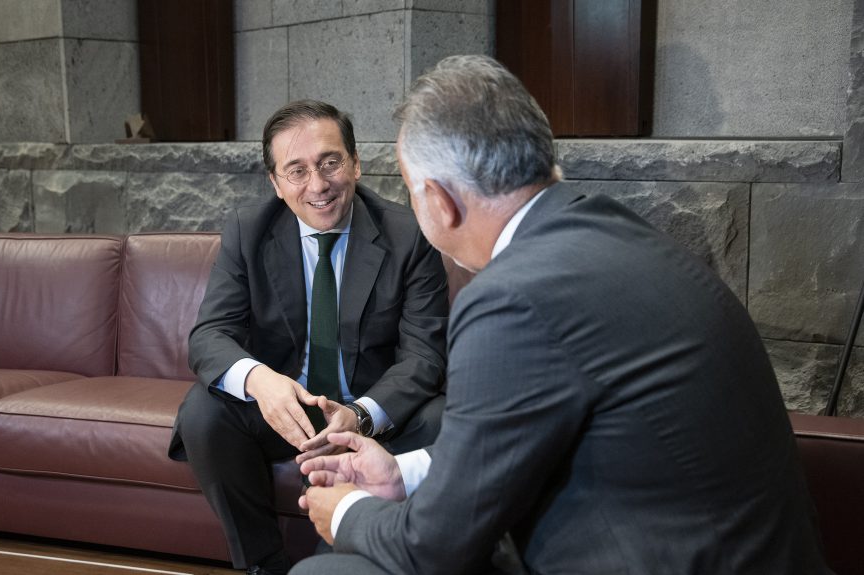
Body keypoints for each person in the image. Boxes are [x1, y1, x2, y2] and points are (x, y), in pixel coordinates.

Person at [292, 55, 831, 575]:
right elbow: (526, 428)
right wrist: (401, 474)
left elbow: (434, 550)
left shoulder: (511, 296)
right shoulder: (610, 227)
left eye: (410, 191)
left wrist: (344, 512)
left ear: (438, 200)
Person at [168, 100, 449, 575]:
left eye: (330, 162)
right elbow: (210, 334)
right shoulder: (247, 231)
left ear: (356, 163)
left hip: (374, 413)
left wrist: (360, 416)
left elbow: (424, 356)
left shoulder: (409, 236)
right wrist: (261, 381)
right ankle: (263, 564)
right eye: (296, 171)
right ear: (276, 184)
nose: (317, 186)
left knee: (442, 419)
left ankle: (345, 562)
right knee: (204, 411)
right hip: (288, 409)